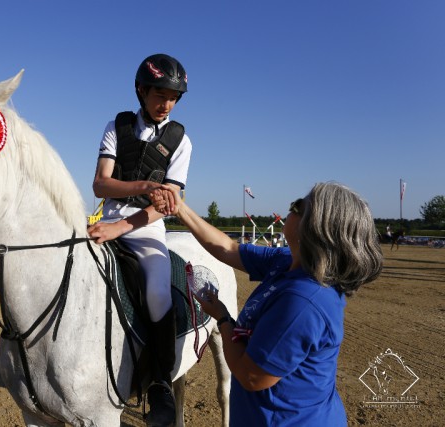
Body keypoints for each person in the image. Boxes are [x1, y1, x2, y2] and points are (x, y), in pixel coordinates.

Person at [150, 182, 383, 426]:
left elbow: (250, 376)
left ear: (315, 228)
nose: (289, 209)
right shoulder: (287, 261)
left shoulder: (303, 302)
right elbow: (228, 248)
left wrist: (223, 318)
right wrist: (180, 209)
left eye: (298, 206)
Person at [87, 53, 191, 426]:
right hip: (106, 218)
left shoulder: (181, 140)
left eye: (173, 98)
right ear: (141, 90)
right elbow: (101, 183)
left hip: (146, 228)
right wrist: (145, 185)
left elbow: (167, 205)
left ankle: (160, 381)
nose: (167, 104)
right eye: (160, 95)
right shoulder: (116, 126)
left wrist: (122, 227)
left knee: (158, 292)